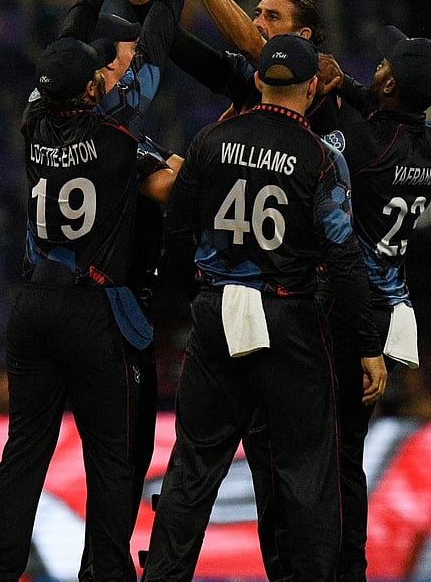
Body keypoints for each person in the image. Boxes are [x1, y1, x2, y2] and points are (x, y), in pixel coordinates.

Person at [0, 0, 191, 582]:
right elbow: (151, 55)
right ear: (93, 86)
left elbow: (67, 44)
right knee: (110, 456)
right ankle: (104, 574)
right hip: (92, 313)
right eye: (99, 70)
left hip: (32, 303)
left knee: (23, 451)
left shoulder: (34, 122)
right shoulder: (118, 139)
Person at [144, 33, 382, 582]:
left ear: (257, 81)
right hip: (288, 320)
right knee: (305, 472)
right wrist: (367, 345)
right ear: (312, 87)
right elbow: (344, 259)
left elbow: (176, 233)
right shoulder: (321, 158)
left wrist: (196, 301)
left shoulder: (208, 141)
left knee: (194, 467)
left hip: (215, 313)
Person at [314, 23, 431, 581]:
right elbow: (377, 103)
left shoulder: (365, 142)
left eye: (385, 66)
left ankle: (322, 563)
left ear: (391, 84)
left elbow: (351, 114)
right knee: (349, 450)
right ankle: (351, 567)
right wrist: (351, 84)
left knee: (321, 446)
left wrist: (341, 86)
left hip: (346, 304)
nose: (376, 67)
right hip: (387, 303)